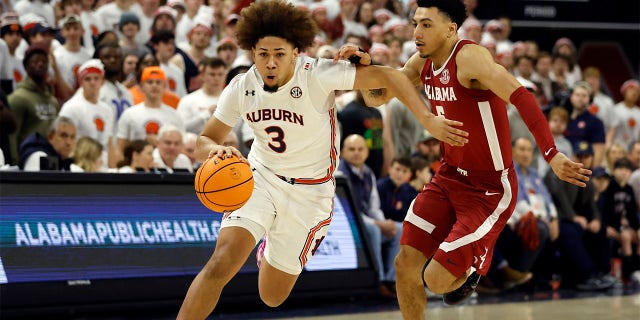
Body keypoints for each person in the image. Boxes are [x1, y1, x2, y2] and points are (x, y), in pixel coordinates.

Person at [176, 1, 467, 319]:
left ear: (296, 51)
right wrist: (214, 151)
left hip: (310, 193)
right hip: (260, 179)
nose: (271, 63)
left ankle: (268, 249)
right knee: (221, 262)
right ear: (251, 52)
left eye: (279, 54)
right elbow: (205, 140)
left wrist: (427, 119)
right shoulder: (241, 87)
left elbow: (394, 78)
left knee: (272, 296)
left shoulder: (318, 74)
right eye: (263, 54)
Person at [336, 0, 590, 317]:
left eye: (426, 24)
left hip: (489, 189)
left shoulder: (470, 58)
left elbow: (521, 96)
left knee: (436, 280)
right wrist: (360, 67)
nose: (417, 32)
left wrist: (551, 153)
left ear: (450, 29)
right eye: (415, 23)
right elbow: (379, 95)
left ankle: (472, 269)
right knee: (405, 265)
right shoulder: (420, 63)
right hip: (448, 177)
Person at [340, 134, 403, 298]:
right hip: (348, 224)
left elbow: (374, 206)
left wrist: (384, 223)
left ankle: (392, 280)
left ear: (367, 152)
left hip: (368, 221)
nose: (356, 153)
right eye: (351, 149)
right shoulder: (338, 174)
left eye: (360, 149)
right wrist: (378, 225)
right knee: (374, 230)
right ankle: (378, 281)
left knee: (399, 228)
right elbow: (350, 211)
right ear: (342, 152)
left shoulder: (368, 173)